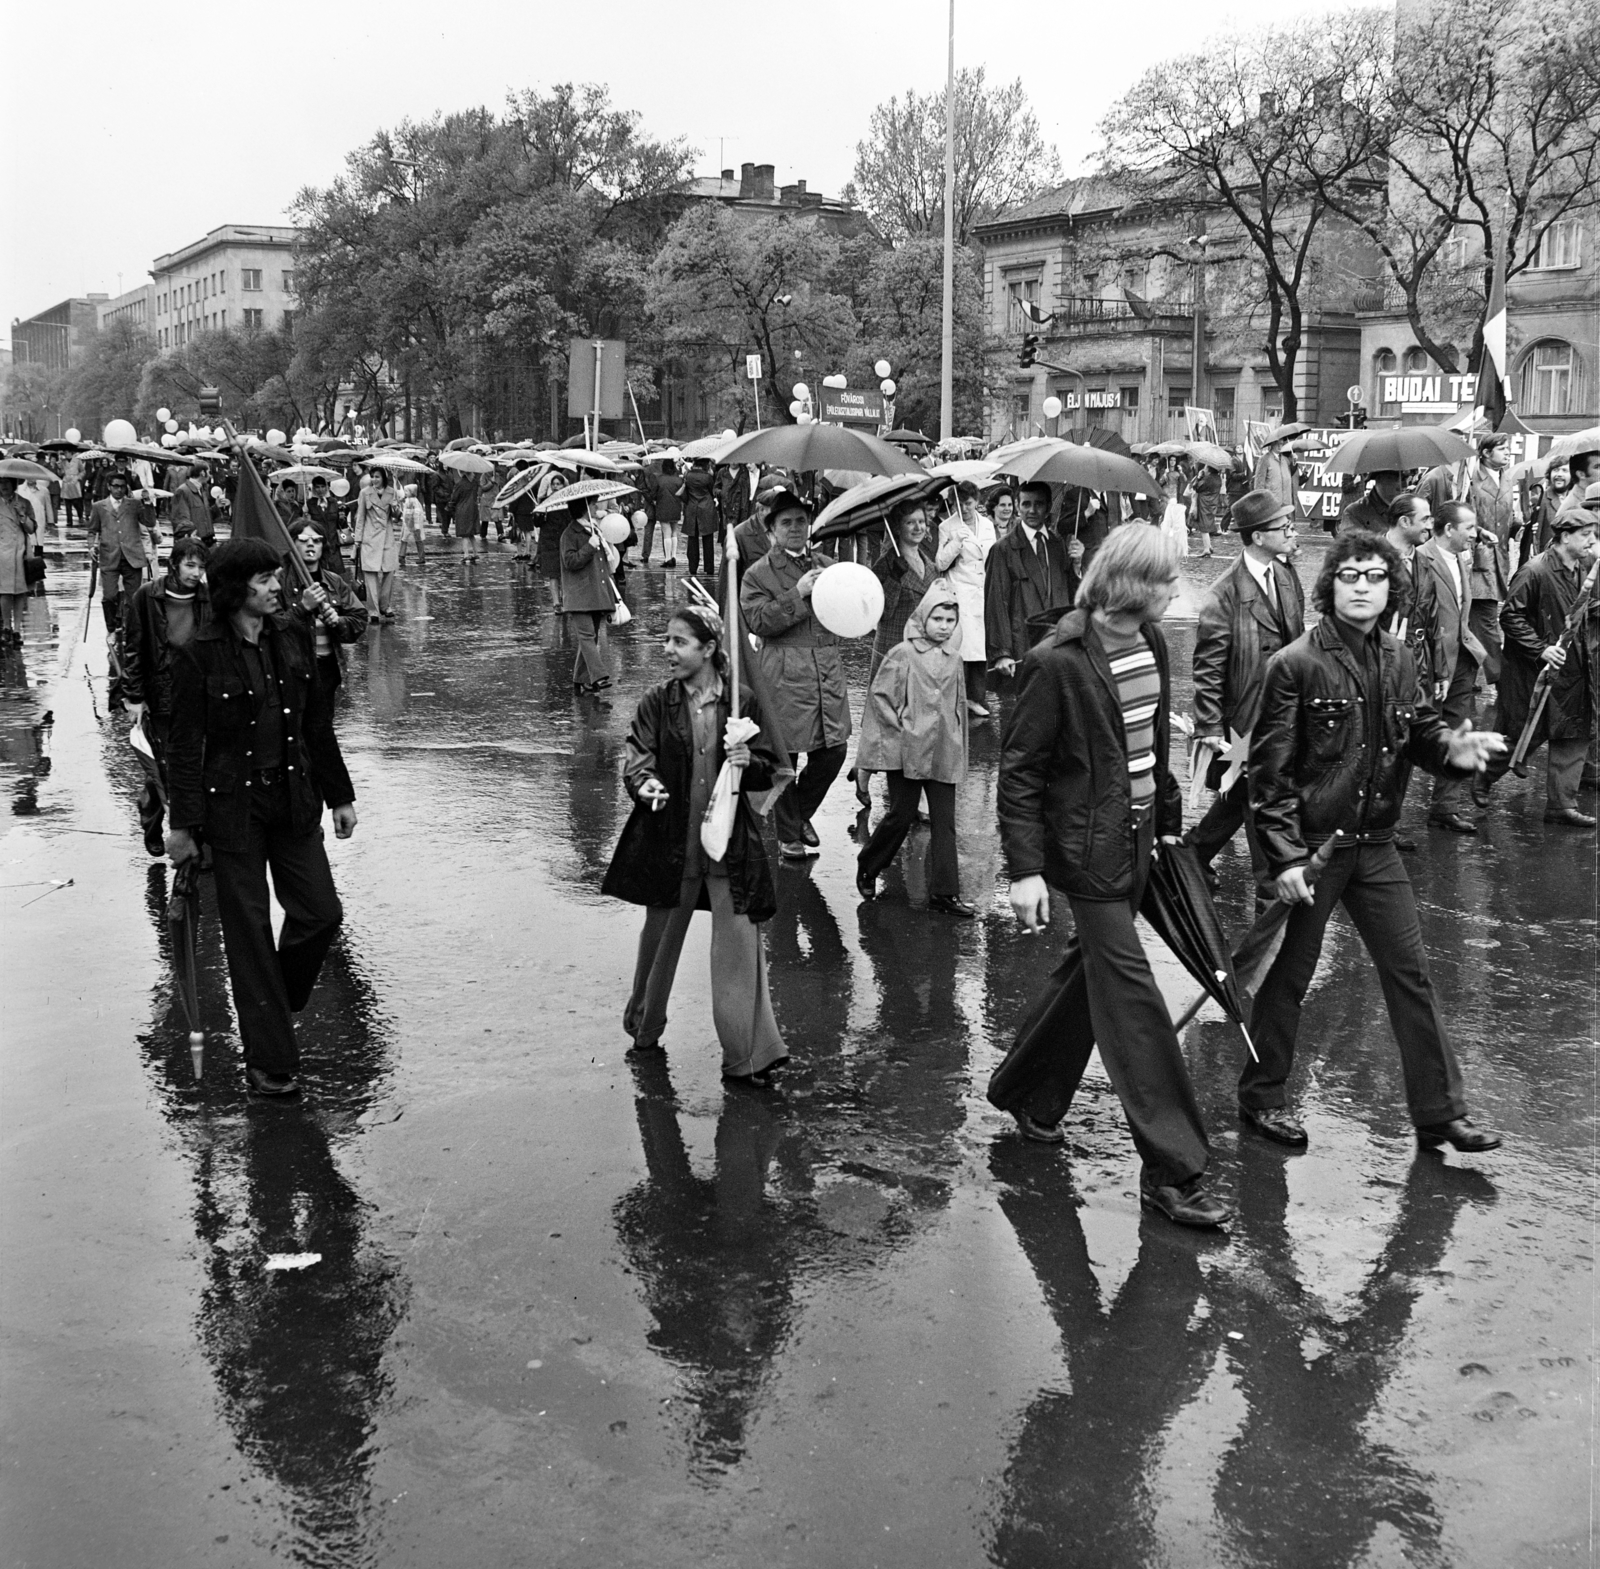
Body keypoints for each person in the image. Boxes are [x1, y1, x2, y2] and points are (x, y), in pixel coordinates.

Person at [986, 525, 1229, 1228]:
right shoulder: (1053, 664)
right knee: (1133, 1002)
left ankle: (1031, 1092)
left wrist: (1175, 820)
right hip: (1088, 856)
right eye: (1162, 579)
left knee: (1085, 980)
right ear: (1126, 584)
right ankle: (1175, 1169)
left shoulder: (1151, 641)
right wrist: (1026, 871)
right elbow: (1021, 772)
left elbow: (1148, 741)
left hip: (1143, 840)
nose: (1173, 590)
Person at [1245, 530, 1505, 1153]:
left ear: (1392, 588)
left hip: (1376, 844)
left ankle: (1439, 1110)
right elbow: (1269, 774)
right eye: (1350, 575)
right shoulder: (1295, 664)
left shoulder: (1397, 656)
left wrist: (1451, 749)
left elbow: (1416, 728)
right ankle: (1261, 1098)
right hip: (1313, 849)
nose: (1363, 586)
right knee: (1286, 976)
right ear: (1329, 585)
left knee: (1409, 972)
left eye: (1375, 576)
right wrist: (1284, 859)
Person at [164, 538, 358, 1099]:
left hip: (294, 801)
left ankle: (273, 995)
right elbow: (184, 746)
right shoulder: (197, 652)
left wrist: (339, 794)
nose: (279, 588)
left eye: (278, 578)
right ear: (234, 590)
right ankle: (270, 1062)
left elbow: (317, 724)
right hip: (233, 813)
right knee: (247, 936)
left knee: (320, 913)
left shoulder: (294, 636)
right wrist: (183, 827)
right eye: (266, 579)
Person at [601, 605, 788, 1084]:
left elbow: (771, 768)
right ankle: (645, 1028)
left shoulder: (740, 703)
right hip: (674, 845)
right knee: (659, 945)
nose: (668, 651)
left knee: (740, 953)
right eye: (667, 640)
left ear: (708, 650)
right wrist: (644, 784)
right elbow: (638, 755)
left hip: (729, 847)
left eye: (679, 642)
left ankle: (750, 1055)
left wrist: (749, 759)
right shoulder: (656, 702)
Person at [1184, 489, 1305, 903]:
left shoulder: (1287, 576)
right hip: (1243, 725)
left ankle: (1191, 854)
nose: (1292, 532)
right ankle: (1270, 888)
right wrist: (1210, 729)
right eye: (1282, 527)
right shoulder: (1224, 593)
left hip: (1283, 713)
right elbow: (1208, 668)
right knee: (1259, 797)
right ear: (1257, 537)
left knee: (1242, 797)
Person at [740, 489, 850, 861]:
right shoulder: (758, 573)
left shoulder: (826, 563)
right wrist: (798, 594)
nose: (796, 528)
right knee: (786, 758)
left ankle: (797, 816)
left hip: (826, 671)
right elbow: (757, 621)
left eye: (801, 521)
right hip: (784, 674)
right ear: (771, 530)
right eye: (786, 522)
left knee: (835, 749)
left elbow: (845, 612)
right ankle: (789, 836)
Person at [854, 581, 974, 916]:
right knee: (901, 815)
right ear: (924, 617)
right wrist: (900, 730)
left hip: (943, 750)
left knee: (944, 821)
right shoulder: (904, 653)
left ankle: (946, 893)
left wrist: (957, 743)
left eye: (950, 621)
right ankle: (869, 863)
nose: (944, 627)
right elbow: (881, 697)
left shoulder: (954, 658)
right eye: (937, 619)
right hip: (907, 750)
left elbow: (958, 705)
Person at [1474, 507, 1598, 828]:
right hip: (1534, 670)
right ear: (1565, 536)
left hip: (1574, 669)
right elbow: (1510, 617)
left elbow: (1586, 608)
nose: (1592, 541)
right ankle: (1483, 775)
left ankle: (1561, 804)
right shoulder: (1535, 571)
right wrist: (1541, 650)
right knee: (1521, 734)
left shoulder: (1585, 568)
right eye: (1586, 535)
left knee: (1574, 731)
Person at [122, 535, 210, 854]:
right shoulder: (147, 596)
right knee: (164, 765)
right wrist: (134, 696)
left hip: (197, 692)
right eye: (189, 565)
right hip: (161, 692)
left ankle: (192, 828)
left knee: (192, 762)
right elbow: (133, 647)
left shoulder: (205, 597)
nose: (195, 572)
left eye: (201, 567)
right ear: (173, 564)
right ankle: (152, 816)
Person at [1411, 502, 1487, 834]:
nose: (1475, 533)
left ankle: (1445, 808)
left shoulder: (1461, 557)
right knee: (1413, 735)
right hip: (1430, 663)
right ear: (1448, 529)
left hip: (1462, 659)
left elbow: (1461, 609)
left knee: (1459, 728)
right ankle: (1388, 820)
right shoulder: (1420, 558)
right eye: (1469, 527)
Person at [984, 481, 1079, 679]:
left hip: (1057, 642)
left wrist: (1077, 565)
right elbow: (996, 603)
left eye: (1039, 504)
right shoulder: (1003, 549)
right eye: (1026, 504)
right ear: (1018, 507)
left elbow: (1073, 597)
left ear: (1048, 507)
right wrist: (1002, 653)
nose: (1032, 510)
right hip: (1024, 644)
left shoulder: (1057, 545)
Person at [289, 519, 366, 704]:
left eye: (316, 540)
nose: (310, 544)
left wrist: (338, 622)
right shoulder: (281, 582)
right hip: (292, 671)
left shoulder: (335, 582)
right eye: (304, 539)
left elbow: (359, 619)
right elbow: (271, 625)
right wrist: (302, 608)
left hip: (327, 671)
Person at [941, 483, 994, 716]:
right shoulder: (947, 526)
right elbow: (940, 563)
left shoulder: (987, 525)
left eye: (969, 502)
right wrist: (955, 544)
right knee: (962, 646)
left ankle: (977, 697)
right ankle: (958, 697)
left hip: (983, 589)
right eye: (960, 503)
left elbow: (993, 555)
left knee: (980, 647)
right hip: (960, 589)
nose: (965, 507)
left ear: (977, 501)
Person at [1465, 434, 1514, 682]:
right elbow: (1462, 518)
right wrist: (1478, 532)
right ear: (1485, 453)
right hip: (1477, 562)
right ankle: (1500, 679)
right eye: (1502, 449)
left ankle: (1467, 676)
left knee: (1478, 622)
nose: (1508, 453)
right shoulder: (1470, 480)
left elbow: (1507, 519)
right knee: (1486, 622)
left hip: (1498, 561)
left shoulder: (1507, 477)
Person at [560, 499, 618, 694]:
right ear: (583, 508)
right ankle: (599, 675)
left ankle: (580, 679)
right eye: (593, 505)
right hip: (579, 594)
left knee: (590, 638)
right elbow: (570, 561)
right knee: (587, 637)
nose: (596, 508)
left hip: (595, 593)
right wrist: (589, 547)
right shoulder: (570, 534)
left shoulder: (594, 529)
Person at [87, 471, 155, 629]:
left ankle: (131, 628)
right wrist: (91, 546)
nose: (119, 490)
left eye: (122, 487)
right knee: (109, 596)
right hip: (109, 556)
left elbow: (150, 522)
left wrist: (147, 502)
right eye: (116, 486)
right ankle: (112, 627)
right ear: (109, 487)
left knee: (134, 598)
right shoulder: (99, 507)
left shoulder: (134, 504)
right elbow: (92, 530)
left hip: (132, 556)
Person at [354, 468, 402, 623]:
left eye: (377, 477)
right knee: (370, 574)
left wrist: (395, 507)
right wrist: (357, 541)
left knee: (389, 571)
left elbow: (397, 517)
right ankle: (373, 611)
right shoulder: (364, 493)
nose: (374, 480)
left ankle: (385, 605)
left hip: (387, 538)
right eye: (372, 477)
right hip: (370, 538)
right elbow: (360, 518)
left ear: (383, 478)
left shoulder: (392, 492)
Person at [0, 477, 37, 647]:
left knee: (20, 592)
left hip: (21, 551)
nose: (4, 486)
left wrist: (22, 516)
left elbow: (32, 529)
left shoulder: (24, 503)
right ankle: (6, 627)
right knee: (5, 591)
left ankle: (17, 630)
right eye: (1, 483)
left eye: (7, 482)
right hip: (2, 552)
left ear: (14, 484)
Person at [680, 458, 719, 575]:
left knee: (692, 538)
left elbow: (685, 492)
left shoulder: (688, 475)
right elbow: (713, 491)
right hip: (706, 508)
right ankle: (709, 567)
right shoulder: (707, 477)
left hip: (692, 508)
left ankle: (693, 567)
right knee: (708, 539)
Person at [1338, 471, 1404, 537]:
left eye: (1401, 479)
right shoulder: (1353, 513)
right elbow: (1352, 545)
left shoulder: (1406, 509)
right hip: (1352, 501)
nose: (1399, 485)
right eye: (1393, 479)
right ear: (1379, 480)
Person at [304, 475, 343, 562]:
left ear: (326, 487)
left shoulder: (334, 502)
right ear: (313, 488)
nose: (320, 490)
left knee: (335, 573)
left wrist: (342, 517)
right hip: (317, 542)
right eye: (317, 487)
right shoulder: (309, 504)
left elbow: (339, 524)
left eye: (322, 486)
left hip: (333, 543)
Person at [654, 462, 684, 567]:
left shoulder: (659, 479)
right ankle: (674, 556)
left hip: (663, 506)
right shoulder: (679, 480)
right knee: (674, 532)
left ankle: (668, 558)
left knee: (666, 532)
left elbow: (654, 493)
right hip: (675, 507)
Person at [446, 466, 480, 559]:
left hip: (463, 509)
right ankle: (475, 553)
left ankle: (466, 554)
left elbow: (454, 497)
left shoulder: (460, 484)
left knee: (464, 533)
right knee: (471, 533)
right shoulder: (474, 483)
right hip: (473, 508)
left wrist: (449, 507)